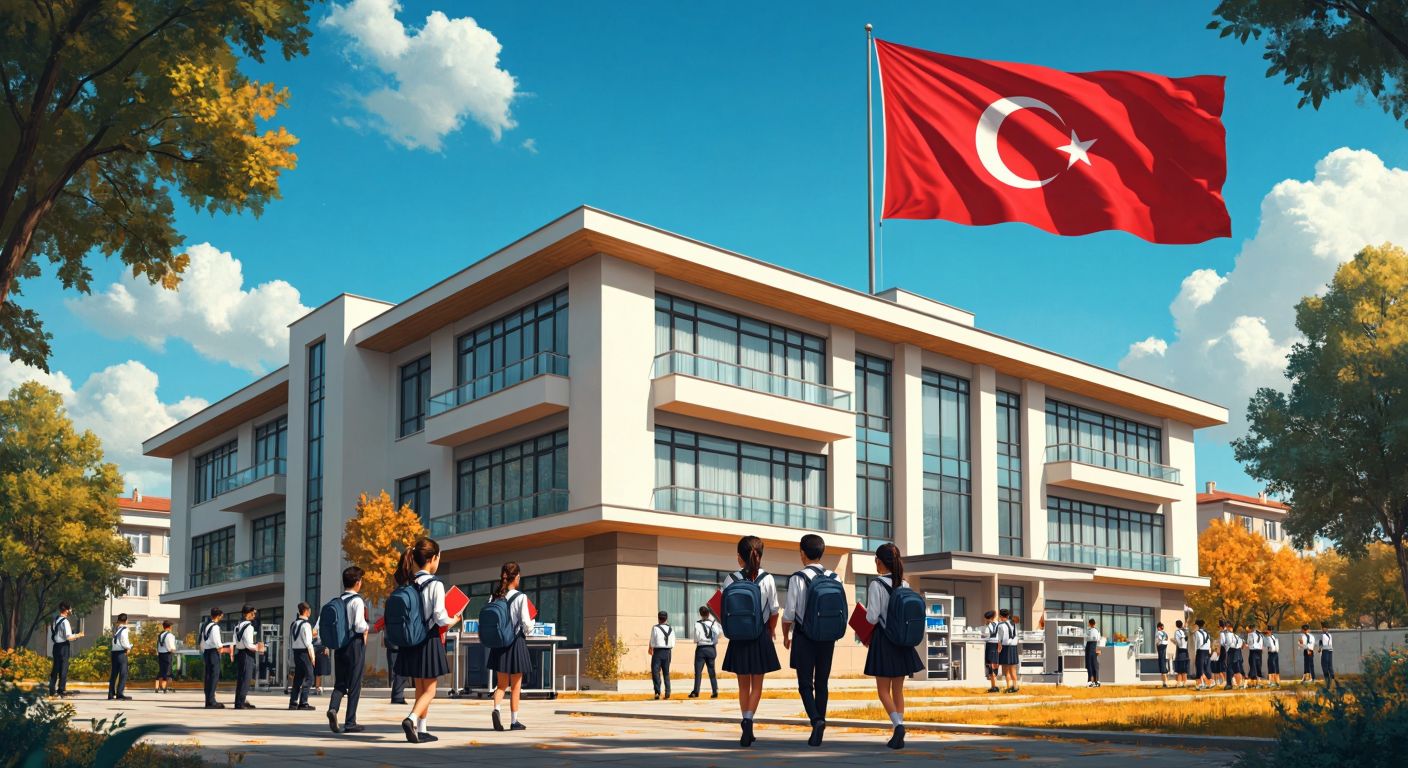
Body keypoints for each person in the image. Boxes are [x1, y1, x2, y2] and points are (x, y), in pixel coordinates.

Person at [394, 538, 460, 744]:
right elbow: (440, 616)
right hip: (429, 640)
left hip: (411, 641)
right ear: (433, 559)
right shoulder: (436, 584)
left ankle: (421, 728)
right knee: (430, 690)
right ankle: (411, 719)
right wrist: (454, 619)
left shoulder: (409, 583)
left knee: (420, 688)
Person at [782, 533, 842, 747]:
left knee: (805, 684)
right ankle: (821, 722)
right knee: (822, 682)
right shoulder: (835, 577)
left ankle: (816, 721)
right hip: (828, 637)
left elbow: (789, 612)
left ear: (802, 553)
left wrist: (785, 634)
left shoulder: (799, 577)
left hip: (805, 636)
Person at [722, 535, 782, 748]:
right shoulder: (768, 578)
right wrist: (772, 630)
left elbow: (723, 610)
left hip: (738, 638)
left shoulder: (730, 579)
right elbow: (774, 610)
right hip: (760, 636)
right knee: (757, 685)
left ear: (739, 558)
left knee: (742, 686)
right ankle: (748, 720)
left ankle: (746, 725)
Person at [864, 543, 923, 750]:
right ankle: (900, 728)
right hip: (903, 641)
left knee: (882, 691)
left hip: (884, 639)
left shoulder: (876, 585)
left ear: (879, 562)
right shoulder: (904, 585)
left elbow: (872, 616)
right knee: (898, 690)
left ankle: (898, 726)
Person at [488, 561, 535, 731]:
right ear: (516, 578)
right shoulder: (520, 597)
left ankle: (496, 709)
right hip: (515, 643)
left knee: (501, 684)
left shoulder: (495, 596)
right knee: (516, 685)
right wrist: (532, 623)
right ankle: (514, 721)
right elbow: (526, 624)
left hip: (499, 644)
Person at [328, 567, 371, 734]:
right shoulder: (357, 601)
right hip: (354, 645)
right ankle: (350, 722)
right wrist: (367, 627)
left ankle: (333, 708)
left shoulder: (338, 601)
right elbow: (360, 625)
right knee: (354, 683)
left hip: (339, 645)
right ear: (358, 583)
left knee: (340, 683)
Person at [233, 606, 266, 709]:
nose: (254, 615)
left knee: (241, 679)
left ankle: (239, 701)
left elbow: (236, 642)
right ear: (248, 614)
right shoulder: (249, 627)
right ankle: (240, 703)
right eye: (253, 613)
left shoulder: (237, 626)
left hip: (240, 653)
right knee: (246, 679)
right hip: (247, 654)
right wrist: (258, 647)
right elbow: (248, 644)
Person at [201, 608, 233, 708]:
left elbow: (202, 641)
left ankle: (208, 700)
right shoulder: (215, 627)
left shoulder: (206, 626)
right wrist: (227, 650)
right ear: (219, 616)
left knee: (208, 677)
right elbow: (217, 643)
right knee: (214, 677)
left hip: (207, 652)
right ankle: (211, 701)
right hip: (213, 653)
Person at [49, 602, 82, 698]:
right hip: (64, 646)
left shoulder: (55, 620)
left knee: (55, 668)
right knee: (64, 668)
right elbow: (69, 637)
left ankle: (52, 689)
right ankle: (61, 690)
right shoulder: (65, 622)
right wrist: (78, 635)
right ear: (67, 610)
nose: (71, 610)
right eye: (70, 609)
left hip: (56, 646)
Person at [288, 602, 316, 711]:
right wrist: (313, 657)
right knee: (309, 677)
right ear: (306, 611)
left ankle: (293, 702)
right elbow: (308, 643)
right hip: (304, 653)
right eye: (309, 610)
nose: (310, 612)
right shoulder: (306, 625)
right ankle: (303, 703)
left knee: (298, 678)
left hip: (296, 653)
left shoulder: (294, 624)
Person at [689, 606, 720, 699]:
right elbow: (717, 636)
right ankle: (715, 691)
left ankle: (696, 691)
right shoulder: (714, 624)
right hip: (711, 648)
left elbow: (696, 638)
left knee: (698, 672)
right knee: (712, 671)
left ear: (700, 614)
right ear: (708, 614)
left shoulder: (697, 624)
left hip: (701, 649)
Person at [649, 611, 675, 700]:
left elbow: (652, 640)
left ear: (658, 618)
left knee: (655, 672)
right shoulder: (671, 629)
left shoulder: (655, 628)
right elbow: (673, 642)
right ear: (666, 618)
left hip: (658, 652)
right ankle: (668, 692)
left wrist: (651, 647)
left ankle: (657, 692)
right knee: (666, 672)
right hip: (668, 652)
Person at [108, 613, 133, 701]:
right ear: (126, 621)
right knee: (123, 673)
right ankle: (120, 694)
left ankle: (111, 694)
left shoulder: (115, 628)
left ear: (118, 620)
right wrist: (128, 647)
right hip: (121, 653)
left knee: (114, 674)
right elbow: (124, 640)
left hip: (114, 652)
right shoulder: (125, 629)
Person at [384, 633, 408, 705]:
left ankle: (397, 695)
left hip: (393, 641)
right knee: (399, 670)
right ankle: (397, 696)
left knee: (396, 669)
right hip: (400, 642)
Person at [980, 610, 1000, 693]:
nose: (985, 620)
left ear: (989, 618)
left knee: (990, 665)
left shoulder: (988, 626)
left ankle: (994, 686)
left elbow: (985, 636)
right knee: (995, 664)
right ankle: (994, 685)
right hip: (996, 645)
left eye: (986, 618)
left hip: (990, 645)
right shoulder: (998, 624)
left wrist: (982, 635)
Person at [155, 620, 178, 694]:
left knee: (161, 670)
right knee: (167, 671)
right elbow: (170, 646)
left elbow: (158, 645)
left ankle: (157, 687)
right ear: (170, 627)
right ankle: (165, 688)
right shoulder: (170, 635)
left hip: (161, 654)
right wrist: (173, 650)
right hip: (167, 654)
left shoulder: (160, 635)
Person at [1194, 619, 1212, 690]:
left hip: (1200, 651)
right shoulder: (1207, 633)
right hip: (1207, 652)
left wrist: (1195, 653)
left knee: (1199, 668)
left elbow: (1196, 644)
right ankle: (1203, 683)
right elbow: (1209, 643)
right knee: (1206, 668)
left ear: (1197, 625)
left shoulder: (1196, 633)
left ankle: (1204, 683)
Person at [1084, 618, 1101, 688]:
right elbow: (1098, 639)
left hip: (1089, 648)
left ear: (1089, 624)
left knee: (1089, 665)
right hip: (1094, 649)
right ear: (1095, 623)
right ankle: (1096, 682)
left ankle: (1090, 682)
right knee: (1094, 665)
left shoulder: (1089, 631)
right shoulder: (1097, 631)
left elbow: (1085, 639)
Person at [1172, 619, 1190, 688]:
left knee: (1179, 669)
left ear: (1176, 625)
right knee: (1184, 668)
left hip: (1180, 651)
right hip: (1186, 651)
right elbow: (1186, 630)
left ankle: (1179, 682)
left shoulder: (1177, 632)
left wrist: (1175, 642)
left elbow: (1178, 642)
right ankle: (1185, 682)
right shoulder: (1185, 631)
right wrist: (1186, 623)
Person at [1246, 624, 1264, 688]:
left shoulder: (1250, 634)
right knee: (1258, 666)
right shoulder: (1260, 635)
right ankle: (1259, 682)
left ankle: (1253, 683)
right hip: (1259, 651)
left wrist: (1247, 645)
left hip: (1253, 651)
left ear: (1251, 629)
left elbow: (1249, 642)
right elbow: (1262, 645)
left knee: (1253, 666)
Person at [1265, 623, 1282, 688]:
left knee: (1276, 668)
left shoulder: (1273, 637)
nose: (1270, 631)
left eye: (1271, 630)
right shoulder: (1267, 638)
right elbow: (1266, 645)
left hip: (1275, 654)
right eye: (1269, 630)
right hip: (1271, 654)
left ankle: (1277, 682)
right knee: (1271, 668)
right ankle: (1271, 682)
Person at [1155, 622, 1170, 688]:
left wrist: (1157, 643)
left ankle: (1165, 682)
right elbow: (1166, 639)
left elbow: (1159, 640)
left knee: (1162, 665)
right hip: (1164, 648)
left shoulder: (1158, 633)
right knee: (1163, 664)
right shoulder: (1165, 633)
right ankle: (1164, 682)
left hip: (1160, 648)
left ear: (1158, 627)